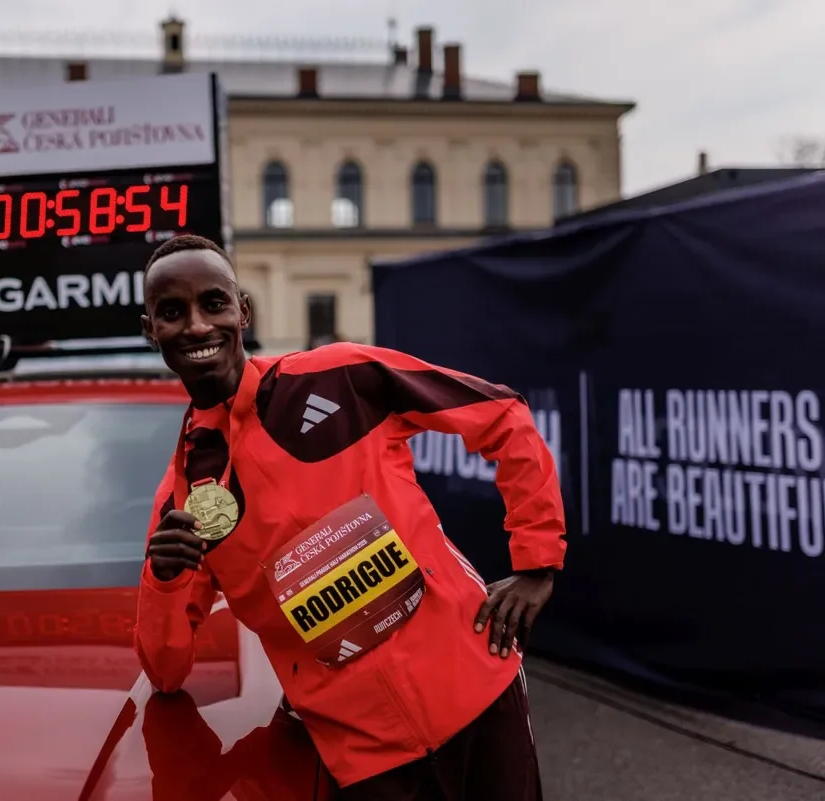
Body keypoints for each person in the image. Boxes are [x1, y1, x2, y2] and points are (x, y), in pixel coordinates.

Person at [134, 234, 566, 800]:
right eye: (172, 312)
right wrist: (164, 580)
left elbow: (501, 416)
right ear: (151, 331)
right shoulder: (185, 496)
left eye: (212, 303)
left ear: (242, 310)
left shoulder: (340, 375)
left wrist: (537, 562)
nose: (195, 326)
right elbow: (165, 670)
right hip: (366, 760)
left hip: (480, 696)